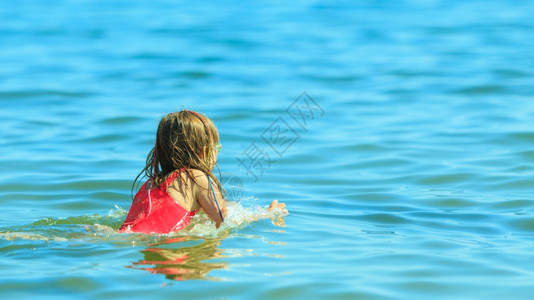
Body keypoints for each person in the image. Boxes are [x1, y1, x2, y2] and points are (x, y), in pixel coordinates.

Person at [119, 110, 286, 234]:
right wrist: (266, 216)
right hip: (164, 246)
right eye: (217, 148)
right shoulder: (197, 177)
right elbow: (224, 221)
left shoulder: (151, 183)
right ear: (204, 152)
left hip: (126, 238)